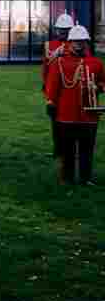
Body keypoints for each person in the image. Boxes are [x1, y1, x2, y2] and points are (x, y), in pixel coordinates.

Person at [45, 24, 103, 185]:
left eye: (82, 41)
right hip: (66, 114)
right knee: (67, 150)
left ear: (87, 42)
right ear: (70, 42)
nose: (79, 44)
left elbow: (103, 83)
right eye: (76, 41)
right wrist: (50, 101)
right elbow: (52, 85)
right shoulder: (59, 63)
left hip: (89, 115)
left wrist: (97, 87)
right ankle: (66, 178)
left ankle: (85, 178)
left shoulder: (96, 63)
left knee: (87, 150)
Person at [43, 13, 75, 158]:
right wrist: (46, 88)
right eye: (61, 29)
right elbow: (45, 69)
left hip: (70, 88)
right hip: (53, 89)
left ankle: (69, 151)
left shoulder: (77, 46)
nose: (63, 32)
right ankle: (58, 150)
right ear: (56, 30)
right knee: (54, 121)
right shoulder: (50, 45)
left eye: (66, 29)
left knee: (69, 122)